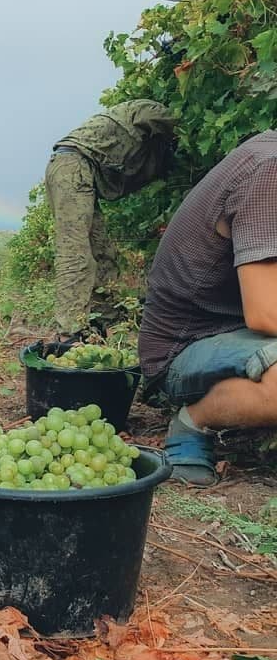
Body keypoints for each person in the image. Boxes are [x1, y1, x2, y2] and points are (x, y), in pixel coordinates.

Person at [139, 130, 277, 486]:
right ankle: (192, 421)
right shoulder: (269, 169)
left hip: (238, 334)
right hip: (184, 347)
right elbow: (266, 312)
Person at [45, 99, 177, 336]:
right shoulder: (147, 108)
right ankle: (69, 332)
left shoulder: (135, 127)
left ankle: (107, 319)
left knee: (103, 254)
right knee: (75, 254)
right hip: (71, 167)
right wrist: (182, 131)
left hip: (80, 173)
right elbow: (152, 118)